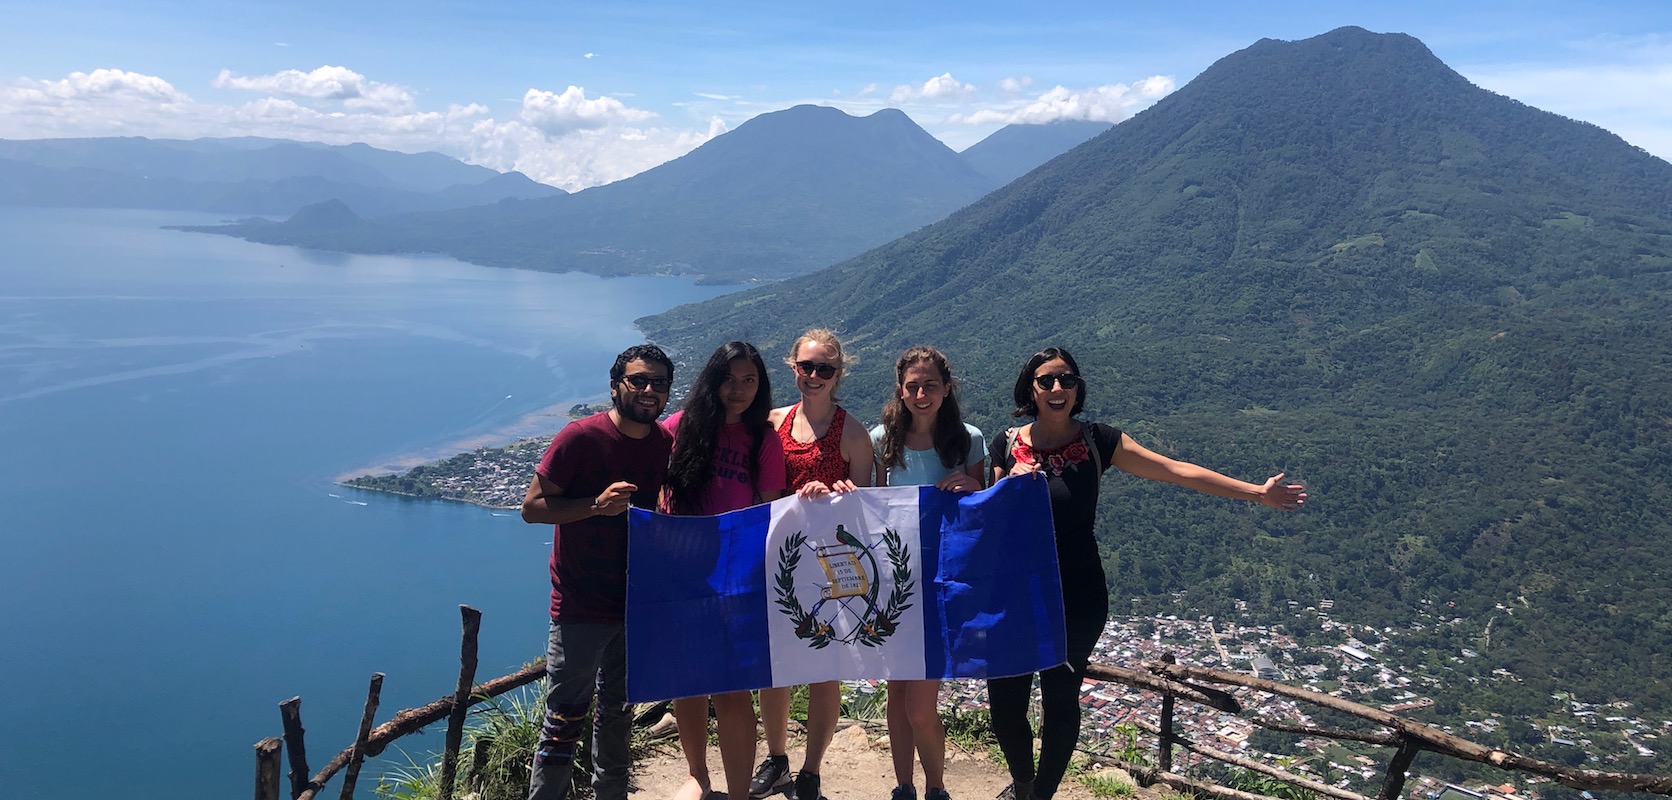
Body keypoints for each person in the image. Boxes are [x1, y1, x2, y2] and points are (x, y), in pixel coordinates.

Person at [986, 346, 1307, 800]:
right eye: (1046, 380)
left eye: (1067, 380)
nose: (1058, 388)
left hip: (1077, 592)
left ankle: (1038, 797)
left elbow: (1175, 470)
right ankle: (1022, 781)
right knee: (1005, 703)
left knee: (1060, 698)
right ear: (1031, 389)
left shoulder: (1100, 441)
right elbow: (985, 517)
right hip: (1014, 590)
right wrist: (1005, 484)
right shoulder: (1004, 444)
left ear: (1078, 389)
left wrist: (1257, 493)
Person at [519, 343, 677, 800]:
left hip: (636, 603)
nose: (649, 390)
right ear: (615, 386)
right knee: (564, 718)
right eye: (639, 381)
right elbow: (532, 509)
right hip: (581, 607)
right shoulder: (580, 438)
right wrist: (595, 506)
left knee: (618, 713)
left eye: (659, 383)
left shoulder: (664, 445)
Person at [662, 341, 789, 800]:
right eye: (730, 379)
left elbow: (768, 511)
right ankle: (697, 774)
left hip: (736, 579)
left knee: (733, 690)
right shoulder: (680, 427)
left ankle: (738, 792)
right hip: (681, 572)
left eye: (749, 380)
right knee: (688, 681)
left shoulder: (762, 439)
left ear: (761, 385)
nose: (738, 390)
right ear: (712, 380)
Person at [754, 330, 876, 800]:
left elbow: (865, 514)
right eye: (806, 366)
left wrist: (840, 499)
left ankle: (811, 770)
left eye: (824, 369)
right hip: (780, 564)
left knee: (826, 670)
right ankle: (778, 759)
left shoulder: (854, 434)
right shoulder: (771, 423)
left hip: (831, 570)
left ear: (837, 374)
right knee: (778, 669)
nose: (814, 376)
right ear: (793, 367)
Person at [869, 346, 986, 800]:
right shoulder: (882, 440)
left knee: (919, 706)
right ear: (900, 390)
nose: (921, 394)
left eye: (930, 385)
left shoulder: (968, 440)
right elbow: (872, 506)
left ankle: (937, 787)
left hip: (941, 583)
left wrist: (975, 486)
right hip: (895, 583)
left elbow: (981, 510)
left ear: (946, 388)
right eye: (913, 386)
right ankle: (904, 787)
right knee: (896, 697)